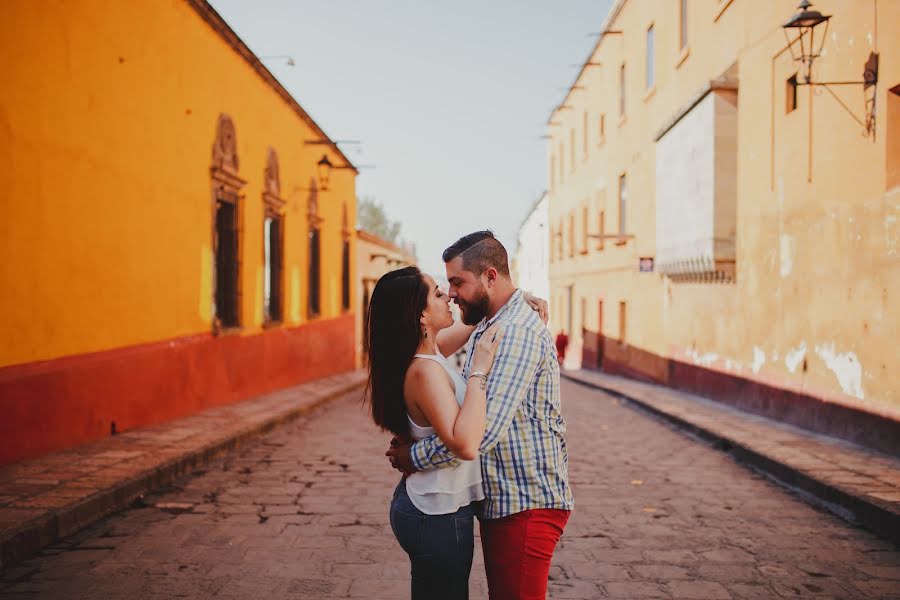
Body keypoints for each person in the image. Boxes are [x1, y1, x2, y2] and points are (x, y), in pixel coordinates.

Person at [387, 231, 574, 600]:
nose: (451, 293)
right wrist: (512, 301)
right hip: (501, 500)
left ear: (490, 276)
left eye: (457, 283)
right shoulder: (489, 324)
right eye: (444, 288)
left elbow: (479, 434)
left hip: (525, 502)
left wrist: (414, 456)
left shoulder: (515, 331)